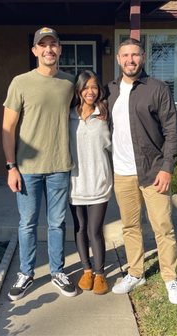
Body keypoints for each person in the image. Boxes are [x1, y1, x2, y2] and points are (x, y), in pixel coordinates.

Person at [106, 38, 177, 304]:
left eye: (135, 55)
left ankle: (170, 277)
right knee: (130, 226)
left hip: (153, 171)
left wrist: (167, 168)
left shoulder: (157, 89)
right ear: (118, 59)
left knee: (163, 226)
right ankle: (136, 272)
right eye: (125, 55)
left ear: (143, 58)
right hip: (122, 172)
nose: (130, 60)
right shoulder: (110, 90)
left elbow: (172, 131)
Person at [2, 27, 77, 301]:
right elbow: (8, 128)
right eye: (42, 45)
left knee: (57, 223)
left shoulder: (70, 83)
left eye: (53, 44)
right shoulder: (20, 82)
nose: (48, 49)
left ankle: (57, 271)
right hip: (27, 169)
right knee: (28, 223)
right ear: (34, 50)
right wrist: (11, 166)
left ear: (59, 49)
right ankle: (26, 273)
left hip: (60, 166)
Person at [68, 70, 112, 295]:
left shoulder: (104, 115)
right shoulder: (68, 116)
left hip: (99, 182)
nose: (90, 92)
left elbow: (115, 147)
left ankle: (100, 273)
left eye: (94, 87)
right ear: (78, 90)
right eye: (86, 87)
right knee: (80, 228)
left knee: (95, 230)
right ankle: (86, 270)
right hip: (75, 184)